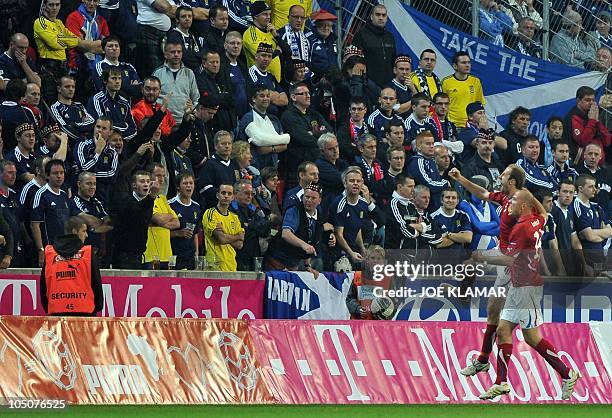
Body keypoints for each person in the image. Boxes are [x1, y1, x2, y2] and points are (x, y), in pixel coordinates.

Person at [476, 189, 580, 401]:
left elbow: (510, 259)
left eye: (514, 201)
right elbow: (544, 214)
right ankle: (501, 382)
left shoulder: (521, 229)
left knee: (532, 338)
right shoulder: (536, 221)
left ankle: (567, 373)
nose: (509, 204)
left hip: (528, 288)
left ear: (523, 206)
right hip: (519, 285)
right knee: (504, 331)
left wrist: (481, 258)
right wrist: (531, 197)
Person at [450, 164, 531, 376]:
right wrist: (460, 178)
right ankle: (484, 360)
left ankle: (500, 377)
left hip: (517, 263)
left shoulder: (520, 203)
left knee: (525, 332)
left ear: (512, 181)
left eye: (503, 175)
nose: (499, 178)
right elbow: (483, 193)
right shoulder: (504, 199)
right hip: (505, 258)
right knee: (493, 311)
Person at [39, 216, 103, 316]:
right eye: (84, 231)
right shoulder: (88, 253)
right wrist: (97, 307)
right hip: (85, 310)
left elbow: (44, 285)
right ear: (74, 231)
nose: (86, 235)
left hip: (57, 310)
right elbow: (96, 283)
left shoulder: (50, 253)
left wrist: (49, 307)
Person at [265, 182, 332, 273]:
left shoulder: (319, 216)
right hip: (278, 260)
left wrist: (307, 266)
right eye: (306, 197)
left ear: (319, 200)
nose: (309, 200)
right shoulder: (294, 209)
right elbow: (286, 234)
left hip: (294, 263)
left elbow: (310, 241)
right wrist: (303, 245)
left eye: (313, 198)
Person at [330, 166, 385, 266]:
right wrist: (351, 253)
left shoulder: (363, 203)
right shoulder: (340, 204)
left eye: (358, 181)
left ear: (362, 183)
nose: (355, 183)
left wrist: (362, 248)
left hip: (354, 248)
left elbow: (357, 228)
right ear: (345, 183)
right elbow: (339, 234)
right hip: (338, 251)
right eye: (351, 181)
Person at [282, 83, 331, 186]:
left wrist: (312, 133)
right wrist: (320, 132)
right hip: (299, 165)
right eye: (303, 93)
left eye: (308, 93)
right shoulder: (288, 116)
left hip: (317, 161)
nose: (308, 96)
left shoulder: (314, 113)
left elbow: (329, 131)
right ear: (293, 97)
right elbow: (303, 138)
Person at [238, 84, 289, 170]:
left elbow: (284, 144)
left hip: (272, 166)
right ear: (254, 99)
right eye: (262, 96)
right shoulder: (248, 118)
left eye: (268, 96)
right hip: (254, 166)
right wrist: (276, 144)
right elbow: (260, 140)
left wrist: (269, 148)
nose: (266, 98)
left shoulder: (274, 119)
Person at [111, 170, 155, 269]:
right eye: (142, 181)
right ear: (134, 185)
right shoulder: (125, 200)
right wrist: (151, 197)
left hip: (139, 254)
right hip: (124, 256)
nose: (146, 184)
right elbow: (137, 212)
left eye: (148, 181)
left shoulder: (147, 203)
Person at [31, 159, 70, 266]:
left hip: (65, 249)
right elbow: (35, 225)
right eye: (55, 173)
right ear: (47, 176)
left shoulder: (64, 195)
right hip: (50, 249)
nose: (59, 176)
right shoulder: (41, 194)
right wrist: (41, 250)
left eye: (61, 173)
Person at [153, 41, 200, 125]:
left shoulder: (189, 73)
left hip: (184, 122)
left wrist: (191, 110)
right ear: (165, 54)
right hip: (163, 123)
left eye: (179, 52)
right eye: (172, 52)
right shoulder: (158, 73)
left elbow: (196, 98)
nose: (176, 54)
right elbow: (152, 99)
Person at [572, 174, 612, 273]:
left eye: (595, 186)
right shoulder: (577, 207)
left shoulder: (597, 207)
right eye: (591, 186)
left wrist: (595, 233)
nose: (595, 189)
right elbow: (590, 236)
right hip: (586, 258)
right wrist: (602, 234)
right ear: (581, 188)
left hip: (600, 256)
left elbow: (610, 231)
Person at [74, 116, 118, 205]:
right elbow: (84, 167)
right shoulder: (82, 145)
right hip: (81, 198)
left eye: (104, 128)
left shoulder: (112, 153)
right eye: (98, 127)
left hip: (103, 197)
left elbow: (112, 176)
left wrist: (89, 175)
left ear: (110, 132)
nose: (100, 130)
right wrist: (98, 151)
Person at [144, 163, 180, 270]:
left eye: (163, 176)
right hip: (150, 255)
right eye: (158, 175)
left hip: (166, 255)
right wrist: (167, 218)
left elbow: (177, 223)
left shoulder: (163, 199)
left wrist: (160, 220)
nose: (161, 179)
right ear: (149, 176)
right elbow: (155, 218)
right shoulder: (144, 198)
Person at [351, 4, 396, 88]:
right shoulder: (361, 34)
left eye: (383, 15)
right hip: (368, 84)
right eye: (378, 14)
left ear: (386, 18)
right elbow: (353, 57)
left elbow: (393, 59)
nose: (381, 18)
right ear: (372, 17)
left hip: (388, 84)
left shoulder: (390, 36)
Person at [69, 171, 113, 257]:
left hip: (98, 251)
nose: (92, 187)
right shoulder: (74, 201)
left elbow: (109, 224)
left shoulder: (97, 202)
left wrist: (96, 224)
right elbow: (91, 222)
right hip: (80, 252)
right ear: (79, 184)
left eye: (94, 184)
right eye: (88, 184)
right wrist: (100, 222)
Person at [87, 67, 138, 141]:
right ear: (105, 80)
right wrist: (124, 125)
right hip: (101, 142)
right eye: (113, 78)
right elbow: (101, 126)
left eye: (119, 78)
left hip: (121, 143)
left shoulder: (124, 102)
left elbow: (133, 129)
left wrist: (118, 136)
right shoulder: (97, 99)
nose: (117, 81)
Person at [230, 179, 271, 270]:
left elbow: (266, 229)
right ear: (236, 194)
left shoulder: (254, 209)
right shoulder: (229, 210)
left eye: (252, 194)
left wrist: (249, 225)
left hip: (254, 257)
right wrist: (254, 228)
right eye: (246, 193)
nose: (250, 196)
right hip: (236, 257)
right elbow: (241, 232)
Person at [202, 183, 244, 271]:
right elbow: (221, 239)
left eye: (229, 194)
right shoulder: (210, 213)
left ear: (233, 197)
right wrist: (237, 236)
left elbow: (239, 244)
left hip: (231, 266)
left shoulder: (234, 217)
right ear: (218, 195)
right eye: (223, 193)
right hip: (214, 266)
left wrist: (225, 235)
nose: (226, 196)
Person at [564, 86, 611, 164]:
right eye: (587, 100)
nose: (591, 103)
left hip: (598, 165)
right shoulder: (573, 117)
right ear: (578, 101)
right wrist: (592, 121)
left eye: (593, 100)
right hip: (581, 165)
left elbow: (607, 141)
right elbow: (583, 141)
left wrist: (597, 122)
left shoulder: (593, 116)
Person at [65, 0, 110, 79]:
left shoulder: (101, 20)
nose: (92, 4)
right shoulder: (73, 17)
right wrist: (98, 43)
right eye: (89, 0)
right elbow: (78, 45)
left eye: (95, 1)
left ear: (99, 2)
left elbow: (106, 47)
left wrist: (85, 44)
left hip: (97, 67)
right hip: (75, 66)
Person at [197, 130, 241, 208]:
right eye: (223, 144)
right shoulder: (209, 165)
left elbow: (238, 184)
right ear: (216, 146)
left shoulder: (235, 164)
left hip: (235, 208)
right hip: (215, 208)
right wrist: (225, 195)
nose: (227, 146)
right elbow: (205, 188)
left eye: (229, 143)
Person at [441, 51, 486, 127]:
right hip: (453, 125)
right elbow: (442, 105)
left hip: (472, 125)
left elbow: (480, 105)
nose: (467, 65)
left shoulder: (476, 81)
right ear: (455, 66)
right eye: (463, 63)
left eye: (469, 62)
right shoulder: (446, 82)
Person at [135, 0, 177, 78]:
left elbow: (175, 13)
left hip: (163, 36)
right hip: (147, 32)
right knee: (153, 71)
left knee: (163, 69)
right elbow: (164, 6)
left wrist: (166, 9)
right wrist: (167, 9)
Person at [243, 1, 284, 82]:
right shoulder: (251, 33)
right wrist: (278, 51)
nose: (268, 17)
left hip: (275, 79)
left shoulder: (271, 32)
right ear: (255, 16)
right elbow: (262, 55)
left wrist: (276, 35)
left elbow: (287, 50)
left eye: (269, 14)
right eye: (265, 14)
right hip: (260, 79)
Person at [407, 132, 449, 211]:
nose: (432, 146)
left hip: (435, 205)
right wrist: (445, 183)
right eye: (428, 144)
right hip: (425, 207)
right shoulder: (417, 161)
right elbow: (427, 184)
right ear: (419, 146)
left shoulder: (430, 161)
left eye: (432, 143)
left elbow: (436, 180)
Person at [458, 175, 500, 252]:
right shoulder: (464, 205)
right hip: (475, 251)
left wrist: (482, 231)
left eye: (483, 190)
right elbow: (478, 226)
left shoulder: (488, 203)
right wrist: (494, 223)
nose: (480, 193)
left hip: (493, 249)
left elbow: (500, 227)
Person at [169, 172, 202, 270]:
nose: (189, 186)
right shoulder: (170, 205)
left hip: (190, 256)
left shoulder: (197, 207)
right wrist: (178, 233)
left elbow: (195, 233)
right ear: (178, 186)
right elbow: (162, 233)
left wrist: (196, 253)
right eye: (185, 183)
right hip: (173, 255)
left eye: (191, 183)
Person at [196, 50, 235, 132]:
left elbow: (231, 99)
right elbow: (207, 99)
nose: (215, 65)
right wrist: (223, 96)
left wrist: (217, 98)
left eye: (217, 62)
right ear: (204, 64)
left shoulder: (222, 77)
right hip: (212, 125)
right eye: (212, 62)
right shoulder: (200, 79)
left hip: (230, 124)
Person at [246, 43, 288, 116]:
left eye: (269, 56)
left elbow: (285, 100)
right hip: (259, 116)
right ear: (256, 56)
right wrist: (275, 96)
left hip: (274, 118)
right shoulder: (251, 73)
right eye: (263, 55)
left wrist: (274, 97)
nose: (266, 59)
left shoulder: (270, 76)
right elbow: (261, 96)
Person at [50, 75, 96, 142]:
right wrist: (84, 129)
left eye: (73, 87)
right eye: (67, 86)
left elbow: (92, 123)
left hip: (85, 144)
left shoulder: (79, 105)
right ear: (59, 89)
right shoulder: (55, 107)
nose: (71, 89)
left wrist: (75, 125)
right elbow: (65, 129)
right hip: (69, 146)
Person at [315, 133, 348, 214]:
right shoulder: (320, 165)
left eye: (336, 146)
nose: (335, 150)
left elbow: (354, 174)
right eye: (331, 149)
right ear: (322, 151)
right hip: (328, 208)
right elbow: (341, 180)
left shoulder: (339, 162)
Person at [165, 6, 204, 71]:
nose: (187, 19)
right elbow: (184, 57)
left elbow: (202, 55)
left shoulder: (193, 36)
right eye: (184, 16)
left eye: (189, 16)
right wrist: (199, 58)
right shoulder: (173, 35)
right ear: (177, 19)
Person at [576, 143, 611, 216]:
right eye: (590, 154)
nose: (593, 157)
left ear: (600, 157)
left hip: (605, 215)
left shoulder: (607, 174)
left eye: (596, 154)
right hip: (584, 214)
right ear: (584, 155)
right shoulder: (576, 172)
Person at [222, 31, 249, 118]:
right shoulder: (221, 66)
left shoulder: (243, 66)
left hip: (244, 115)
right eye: (232, 43)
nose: (236, 46)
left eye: (238, 44)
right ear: (225, 46)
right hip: (229, 116)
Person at [306, 9, 338, 76]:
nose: (326, 28)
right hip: (316, 81)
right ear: (316, 25)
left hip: (333, 79)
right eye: (322, 25)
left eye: (329, 25)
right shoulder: (308, 40)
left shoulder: (332, 40)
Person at [337, 96, 369, 163]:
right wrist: (367, 148)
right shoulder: (343, 129)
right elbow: (348, 151)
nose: (356, 112)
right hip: (350, 163)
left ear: (365, 110)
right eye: (354, 109)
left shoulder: (370, 127)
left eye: (359, 109)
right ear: (349, 110)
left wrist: (356, 147)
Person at [5, 123, 36, 190]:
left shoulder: (32, 156)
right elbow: (28, 178)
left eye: (33, 135)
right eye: (27, 136)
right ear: (18, 138)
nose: (31, 138)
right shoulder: (13, 157)